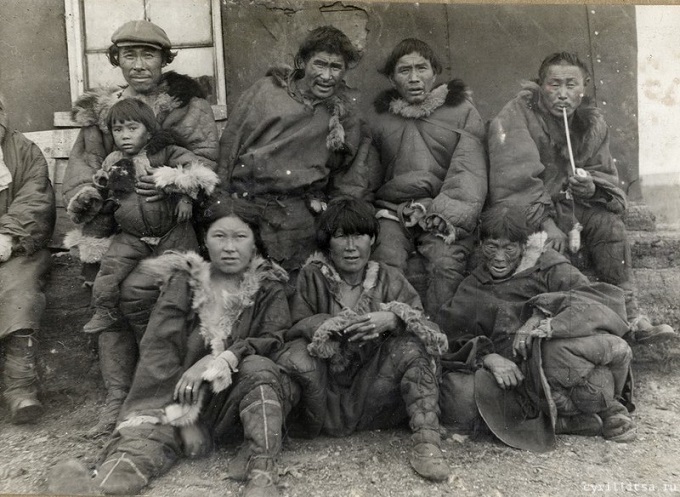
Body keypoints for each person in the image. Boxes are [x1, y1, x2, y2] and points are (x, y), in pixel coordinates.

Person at [49, 197, 296, 497]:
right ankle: (100, 484)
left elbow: (274, 337)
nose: (229, 247)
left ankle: (262, 473)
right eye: (219, 236)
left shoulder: (268, 286)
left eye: (240, 237)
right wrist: (174, 413)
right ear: (205, 240)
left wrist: (220, 358)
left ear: (254, 242)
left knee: (260, 369)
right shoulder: (185, 283)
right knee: (138, 445)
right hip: (180, 399)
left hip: (230, 407)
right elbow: (159, 350)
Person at [61, 19, 219, 437]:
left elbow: (206, 161)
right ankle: (116, 396)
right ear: (116, 60)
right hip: (120, 227)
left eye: (148, 54)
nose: (138, 64)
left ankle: (166, 390)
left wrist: (173, 182)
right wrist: (94, 194)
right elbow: (84, 167)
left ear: (164, 59)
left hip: (178, 223)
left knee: (161, 293)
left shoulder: (189, 105)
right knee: (106, 288)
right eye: (128, 55)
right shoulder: (105, 111)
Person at [487, 51, 675, 344]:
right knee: (550, 250)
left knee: (610, 227)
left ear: (583, 88)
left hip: (573, 206)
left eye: (571, 85)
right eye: (554, 85)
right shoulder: (517, 115)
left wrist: (592, 188)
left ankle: (630, 316)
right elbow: (514, 180)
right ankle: (571, 322)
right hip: (531, 211)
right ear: (541, 86)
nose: (563, 94)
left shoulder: (592, 124)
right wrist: (547, 224)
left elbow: (604, 172)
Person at [276, 197, 451, 482]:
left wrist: (394, 318)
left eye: (359, 235)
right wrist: (329, 325)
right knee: (296, 356)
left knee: (412, 348)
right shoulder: (312, 277)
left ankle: (427, 443)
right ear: (327, 242)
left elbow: (427, 328)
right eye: (340, 236)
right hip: (325, 396)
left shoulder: (389, 278)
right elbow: (293, 327)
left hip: (374, 393)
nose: (350, 246)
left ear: (371, 240)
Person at [438, 204, 636, 450]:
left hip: (563, 361)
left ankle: (609, 409)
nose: (499, 257)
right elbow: (451, 335)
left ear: (524, 245)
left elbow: (597, 298)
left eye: (509, 248)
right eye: (491, 247)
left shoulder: (549, 267)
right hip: (516, 379)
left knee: (560, 356)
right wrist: (488, 358)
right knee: (458, 399)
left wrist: (542, 314)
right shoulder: (474, 285)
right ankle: (566, 421)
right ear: (480, 246)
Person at [216, 26, 371, 285]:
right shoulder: (265, 91)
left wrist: (337, 223)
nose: (327, 76)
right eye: (319, 64)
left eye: (336, 67)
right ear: (302, 62)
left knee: (292, 288)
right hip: (244, 205)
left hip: (298, 216)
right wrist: (220, 203)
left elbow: (349, 179)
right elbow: (229, 146)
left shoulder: (347, 115)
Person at [68, 99, 219, 333]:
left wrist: (185, 197)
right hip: (133, 235)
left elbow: (195, 172)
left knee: (182, 276)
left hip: (172, 232)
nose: (125, 136)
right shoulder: (113, 160)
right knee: (109, 269)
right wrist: (98, 188)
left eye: (132, 128)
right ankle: (105, 310)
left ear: (148, 132)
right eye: (118, 130)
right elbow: (104, 190)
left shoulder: (165, 152)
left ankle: (187, 325)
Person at [368, 38, 486, 318]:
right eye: (404, 70)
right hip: (392, 212)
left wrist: (436, 213)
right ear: (391, 78)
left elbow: (469, 172)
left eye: (421, 68)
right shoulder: (379, 120)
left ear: (435, 73)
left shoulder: (462, 112)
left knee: (445, 264)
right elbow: (365, 176)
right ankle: (394, 332)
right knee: (385, 261)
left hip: (442, 211)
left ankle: (436, 333)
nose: (414, 78)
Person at [0, 94, 55, 424]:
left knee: (19, 292)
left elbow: (35, 198)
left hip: (18, 248)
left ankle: (20, 389)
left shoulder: (24, 151)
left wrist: (7, 236)